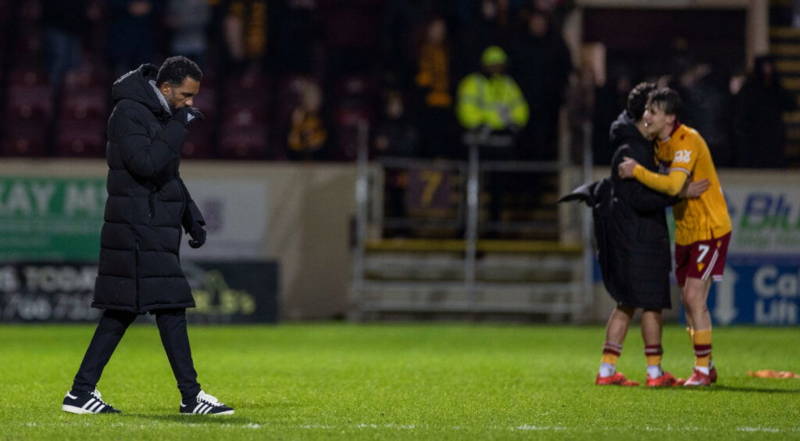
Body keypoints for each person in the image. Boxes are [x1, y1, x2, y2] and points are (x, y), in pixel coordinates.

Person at [61, 56, 234, 415]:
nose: (190, 103)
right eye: (186, 95)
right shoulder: (128, 113)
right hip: (138, 228)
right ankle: (191, 396)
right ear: (166, 88)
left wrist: (190, 215)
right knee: (170, 305)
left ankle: (80, 393)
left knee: (121, 311)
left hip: (147, 226)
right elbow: (147, 164)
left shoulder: (156, 113)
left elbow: (167, 174)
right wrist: (179, 125)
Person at [564, 82, 707, 387]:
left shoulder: (634, 144)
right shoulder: (632, 151)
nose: (654, 116)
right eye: (653, 109)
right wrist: (677, 193)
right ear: (645, 114)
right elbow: (638, 199)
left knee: (626, 303)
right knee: (651, 305)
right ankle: (654, 373)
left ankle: (607, 371)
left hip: (632, 235)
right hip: (640, 237)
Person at [619, 87, 733, 387]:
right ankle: (707, 364)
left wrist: (637, 172)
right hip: (685, 231)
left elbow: (671, 186)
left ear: (669, 118)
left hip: (710, 228)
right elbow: (676, 189)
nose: (646, 116)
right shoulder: (659, 144)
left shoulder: (687, 141)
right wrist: (680, 189)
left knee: (694, 297)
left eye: (653, 112)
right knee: (688, 301)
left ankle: (702, 370)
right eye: (646, 110)